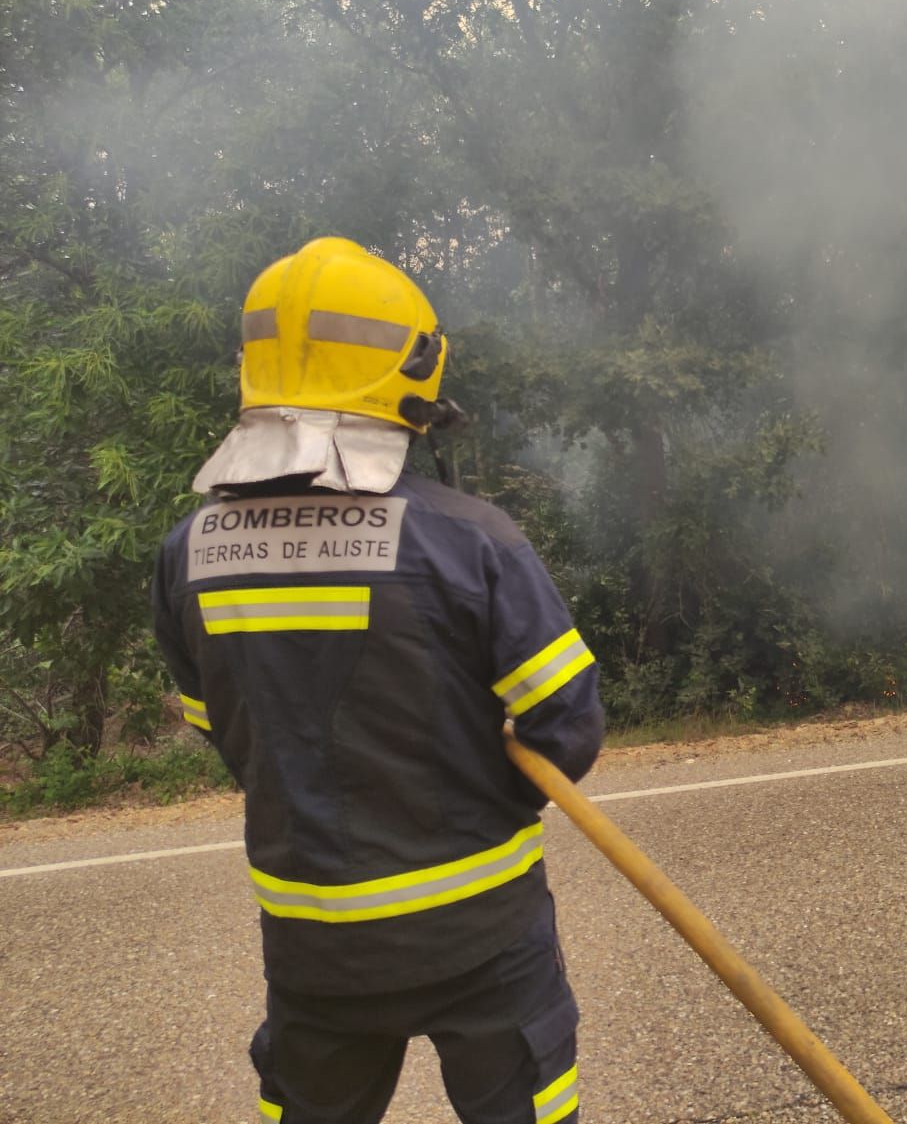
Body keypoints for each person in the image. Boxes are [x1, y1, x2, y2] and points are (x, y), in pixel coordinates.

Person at [151, 237, 603, 1124]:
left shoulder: (188, 553)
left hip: (312, 943)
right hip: (479, 933)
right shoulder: (473, 540)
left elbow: (221, 726)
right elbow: (565, 729)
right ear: (415, 373)